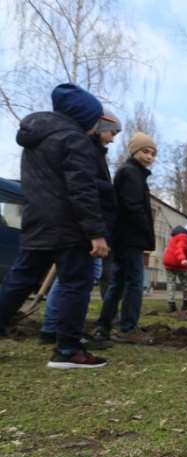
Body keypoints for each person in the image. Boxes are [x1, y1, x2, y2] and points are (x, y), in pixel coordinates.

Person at [0, 83, 110, 368]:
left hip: (36, 221)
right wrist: (96, 233)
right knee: (76, 283)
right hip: (70, 226)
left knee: (19, 280)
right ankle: (67, 350)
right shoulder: (75, 140)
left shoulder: (36, 139)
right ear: (84, 116)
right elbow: (81, 189)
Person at [39, 112, 122, 348]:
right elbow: (82, 187)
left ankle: (54, 327)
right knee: (78, 279)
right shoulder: (86, 149)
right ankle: (63, 331)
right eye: (112, 132)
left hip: (83, 225)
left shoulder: (91, 150)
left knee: (71, 279)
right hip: (84, 227)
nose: (112, 139)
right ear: (99, 127)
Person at [93, 132, 158, 344]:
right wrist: (146, 231)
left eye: (152, 153)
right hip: (130, 238)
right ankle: (128, 328)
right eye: (145, 151)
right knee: (134, 283)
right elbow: (132, 207)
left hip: (123, 237)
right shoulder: (131, 173)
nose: (149, 157)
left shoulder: (133, 173)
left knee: (118, 283)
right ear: (134, 151)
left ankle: (103, 326)